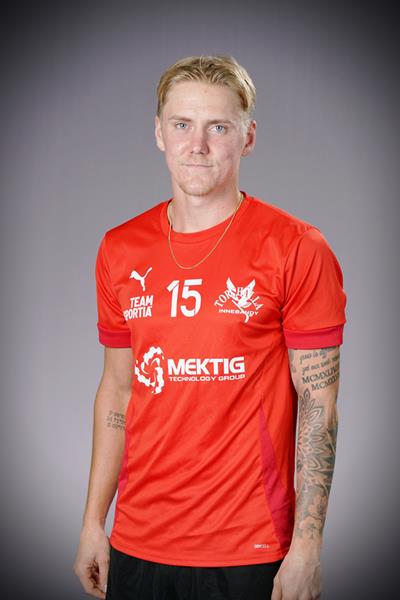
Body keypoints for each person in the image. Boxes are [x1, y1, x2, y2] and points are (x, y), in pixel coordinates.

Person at [73, 55, 347, 600]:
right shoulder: (119, 248)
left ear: (248, 137)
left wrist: (308, 547)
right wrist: (92, 523)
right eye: (182, 124)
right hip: (138, 540)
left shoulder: (296, 248)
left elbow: (319, 404)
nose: (197, 145)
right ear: (159, 133)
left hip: (249, 547)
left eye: (218, 127)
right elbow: (118, 391)